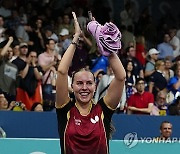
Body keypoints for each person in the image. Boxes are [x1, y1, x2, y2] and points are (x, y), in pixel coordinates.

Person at [56, 12, 126, 154]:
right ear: (72, 86)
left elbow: (121, 77)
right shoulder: (65, 109)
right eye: (79, 83)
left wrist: (105, 45)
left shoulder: (103, 110)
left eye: (89, 83)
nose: (84, 87)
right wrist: (76, 37)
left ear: (95, 87)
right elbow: (62, 71)